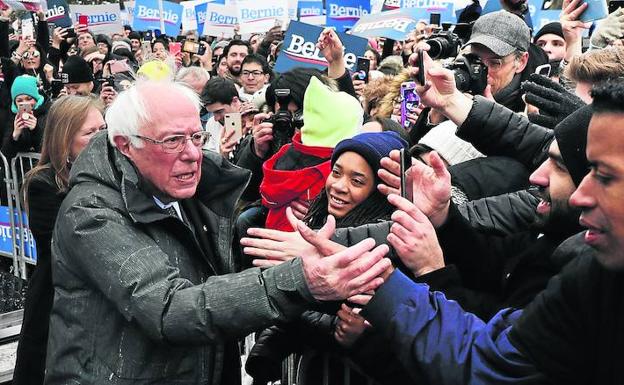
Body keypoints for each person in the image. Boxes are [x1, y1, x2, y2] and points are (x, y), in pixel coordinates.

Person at [44, 80, 390, 384]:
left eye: (197, 136)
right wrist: (300, 279)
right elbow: (169, 308)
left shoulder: (194, 186)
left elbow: (227, 287)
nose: (193, 154)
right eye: (173, 140)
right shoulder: (90, 212)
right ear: (125, 144)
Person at [337, 71, 624, 385]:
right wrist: (444, 220)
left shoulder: (582, 262)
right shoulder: (584, 263)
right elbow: (492, 352)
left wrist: (430, 273)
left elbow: (486, 346)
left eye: (605, 176)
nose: (537, 177)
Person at [12, 96, 105, 385]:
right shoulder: (43, 183)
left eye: (103, 129)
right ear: (65, 138)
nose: (101, 139)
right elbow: (71, 244)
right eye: (90, 133)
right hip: (55, 300)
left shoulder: (111, 175)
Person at [2, 75, 49, 161]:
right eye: (19, 101)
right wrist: (14, 136)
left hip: (43, 170)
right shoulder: (13, 117)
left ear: (36, 98)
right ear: (15, 103)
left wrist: (35, 130)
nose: (25, 103)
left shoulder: (47, 113)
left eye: (29, 98)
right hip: (20, 171)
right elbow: (5, 157)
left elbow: (50, 151)